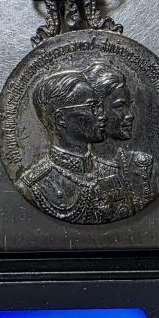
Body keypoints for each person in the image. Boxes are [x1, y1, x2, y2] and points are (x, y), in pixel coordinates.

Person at [16, 70, 116, 224]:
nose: (102, 116)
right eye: (92, 107)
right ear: (60, 118)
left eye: (99, 106)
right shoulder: (34, 186)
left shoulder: (115, 172)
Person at [85, 63, 153, 211]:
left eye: (128, 106)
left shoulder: (145, 166)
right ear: (96, 110)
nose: (130, 115)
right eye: (120, 106)